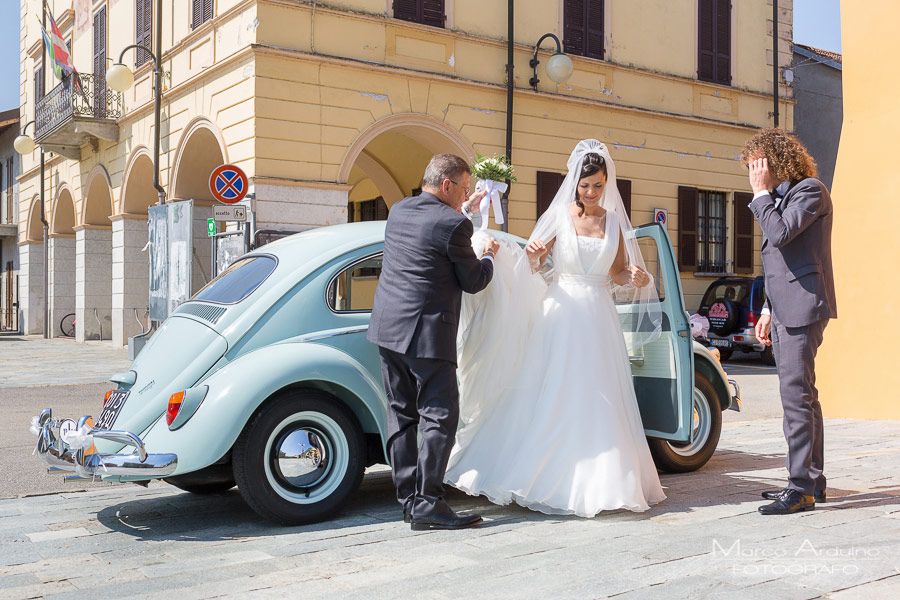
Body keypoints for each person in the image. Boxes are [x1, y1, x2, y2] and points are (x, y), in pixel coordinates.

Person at [445, 139, 666, 517]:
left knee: (600, 393)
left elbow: (616, 273)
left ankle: (604, 480)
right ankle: (539, 473)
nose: (592, 193)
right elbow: (533, 264)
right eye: (585, 185)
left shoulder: (614, 222)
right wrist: (533, 256)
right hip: (561, 312)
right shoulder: (560, 216)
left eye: (598, 185)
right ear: (575, 183)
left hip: (598, 316)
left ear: (607, 182)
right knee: (553, 389)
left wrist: (635, 277)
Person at [368, 153, 499, 531]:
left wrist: (465, 212)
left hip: (388, 330)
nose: (465, 196)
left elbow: (436, 231)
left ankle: (408, 498)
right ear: (446, 186)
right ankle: (429, 502)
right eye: (463, 189)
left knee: (401, 414)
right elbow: (473, 280)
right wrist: (487, 255)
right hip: (426, 333)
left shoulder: (399, 210)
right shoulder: (453, 224)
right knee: (440, 416)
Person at [742, 128, 837, 515]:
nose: (753, 173)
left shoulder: (810, 191)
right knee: (804, 397)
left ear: (777, 161)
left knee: (795, 397)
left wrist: (761, 194)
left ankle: (799, 488)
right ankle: (812, 482)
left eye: (758, 165)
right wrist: (766, 309)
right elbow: (777, 262)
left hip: (803, 306)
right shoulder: (781, 199)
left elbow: (780, 235)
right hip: (782, 307)